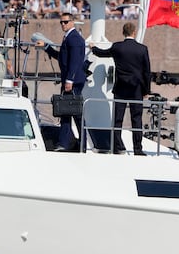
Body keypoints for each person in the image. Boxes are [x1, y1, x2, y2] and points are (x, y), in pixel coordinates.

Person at [90, 22, 151, 155]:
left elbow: (102, 53)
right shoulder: (142, 49)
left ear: (123, 32)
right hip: (136, 89)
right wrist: (146, 90)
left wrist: (93, 48)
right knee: (137, 119)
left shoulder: (117, 47)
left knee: (118, 119)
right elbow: (147, 72)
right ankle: (138, 149)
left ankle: (117, 147)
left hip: (121, 87)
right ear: (134, 32)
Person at [36, 12, 87, 151]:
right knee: (65, 111)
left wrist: (70, 80)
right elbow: (62, 57)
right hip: (69, 80)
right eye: (61, 22)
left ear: (72, 22)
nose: (63, 24)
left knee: (75, 113)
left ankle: (82, 143)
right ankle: (64, 143)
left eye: (65, 22)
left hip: (73, 82)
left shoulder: (74, 38)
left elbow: (75, 62)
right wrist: (47, 47)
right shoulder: (68, 38)